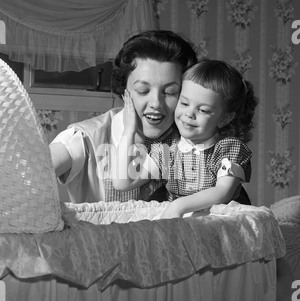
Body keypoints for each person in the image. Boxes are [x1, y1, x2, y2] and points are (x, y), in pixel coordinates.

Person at [49, 30, 197, 203]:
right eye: (143, 91)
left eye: (170, 92)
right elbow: (29, 176)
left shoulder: (192, 141)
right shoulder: (85, 138)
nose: (156, 103)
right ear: (123, 89)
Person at [112, 59, 258, 218]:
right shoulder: (169, 148)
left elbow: (223, 191)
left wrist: (179, 206)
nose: (189, 114)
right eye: (184, 103)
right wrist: (129, 131)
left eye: (202, 109)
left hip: (216, 226)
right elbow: (122, 183)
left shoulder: (227, 148)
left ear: (224, 119)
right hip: (179, 225)